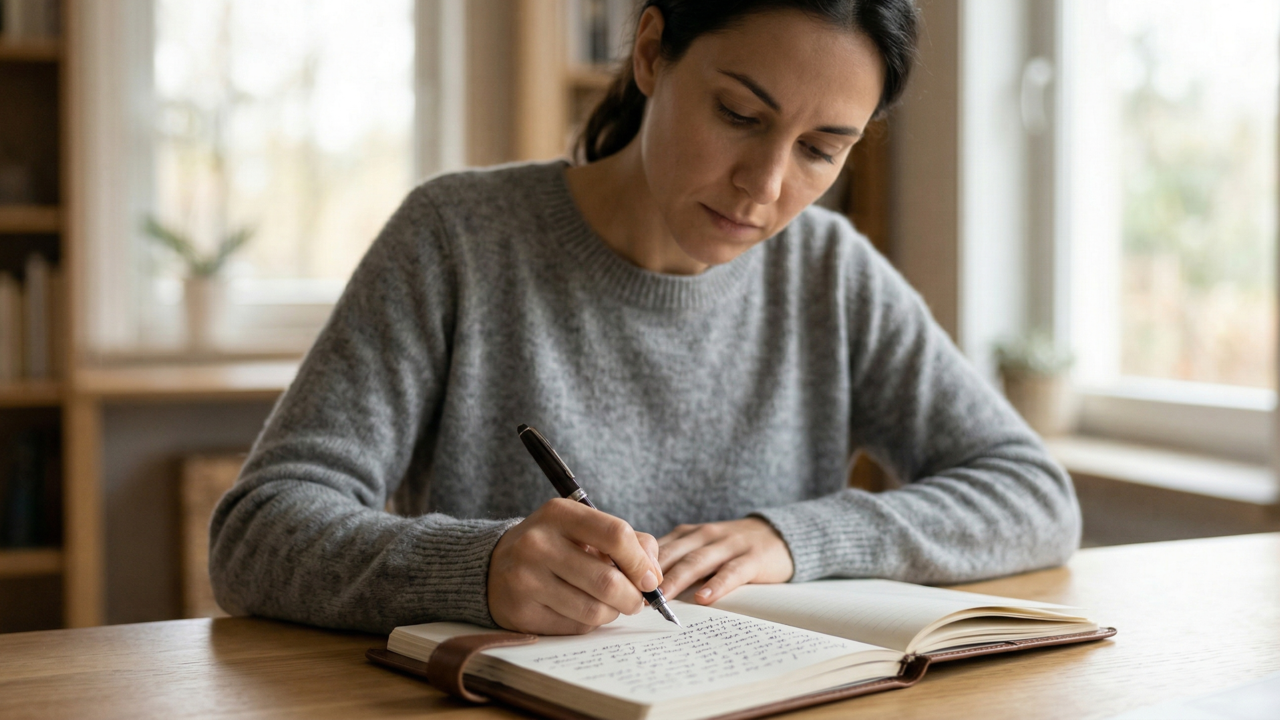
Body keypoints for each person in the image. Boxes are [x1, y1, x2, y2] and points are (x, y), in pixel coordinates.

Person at [209, 0, 1081, 637]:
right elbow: (258, 533)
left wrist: (799, 537)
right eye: (740, 115)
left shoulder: (831, 271)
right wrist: (478, 568)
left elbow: (1033, 496)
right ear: (654, 51)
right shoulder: (458, 238)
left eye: (822, 150)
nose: (767, 186)